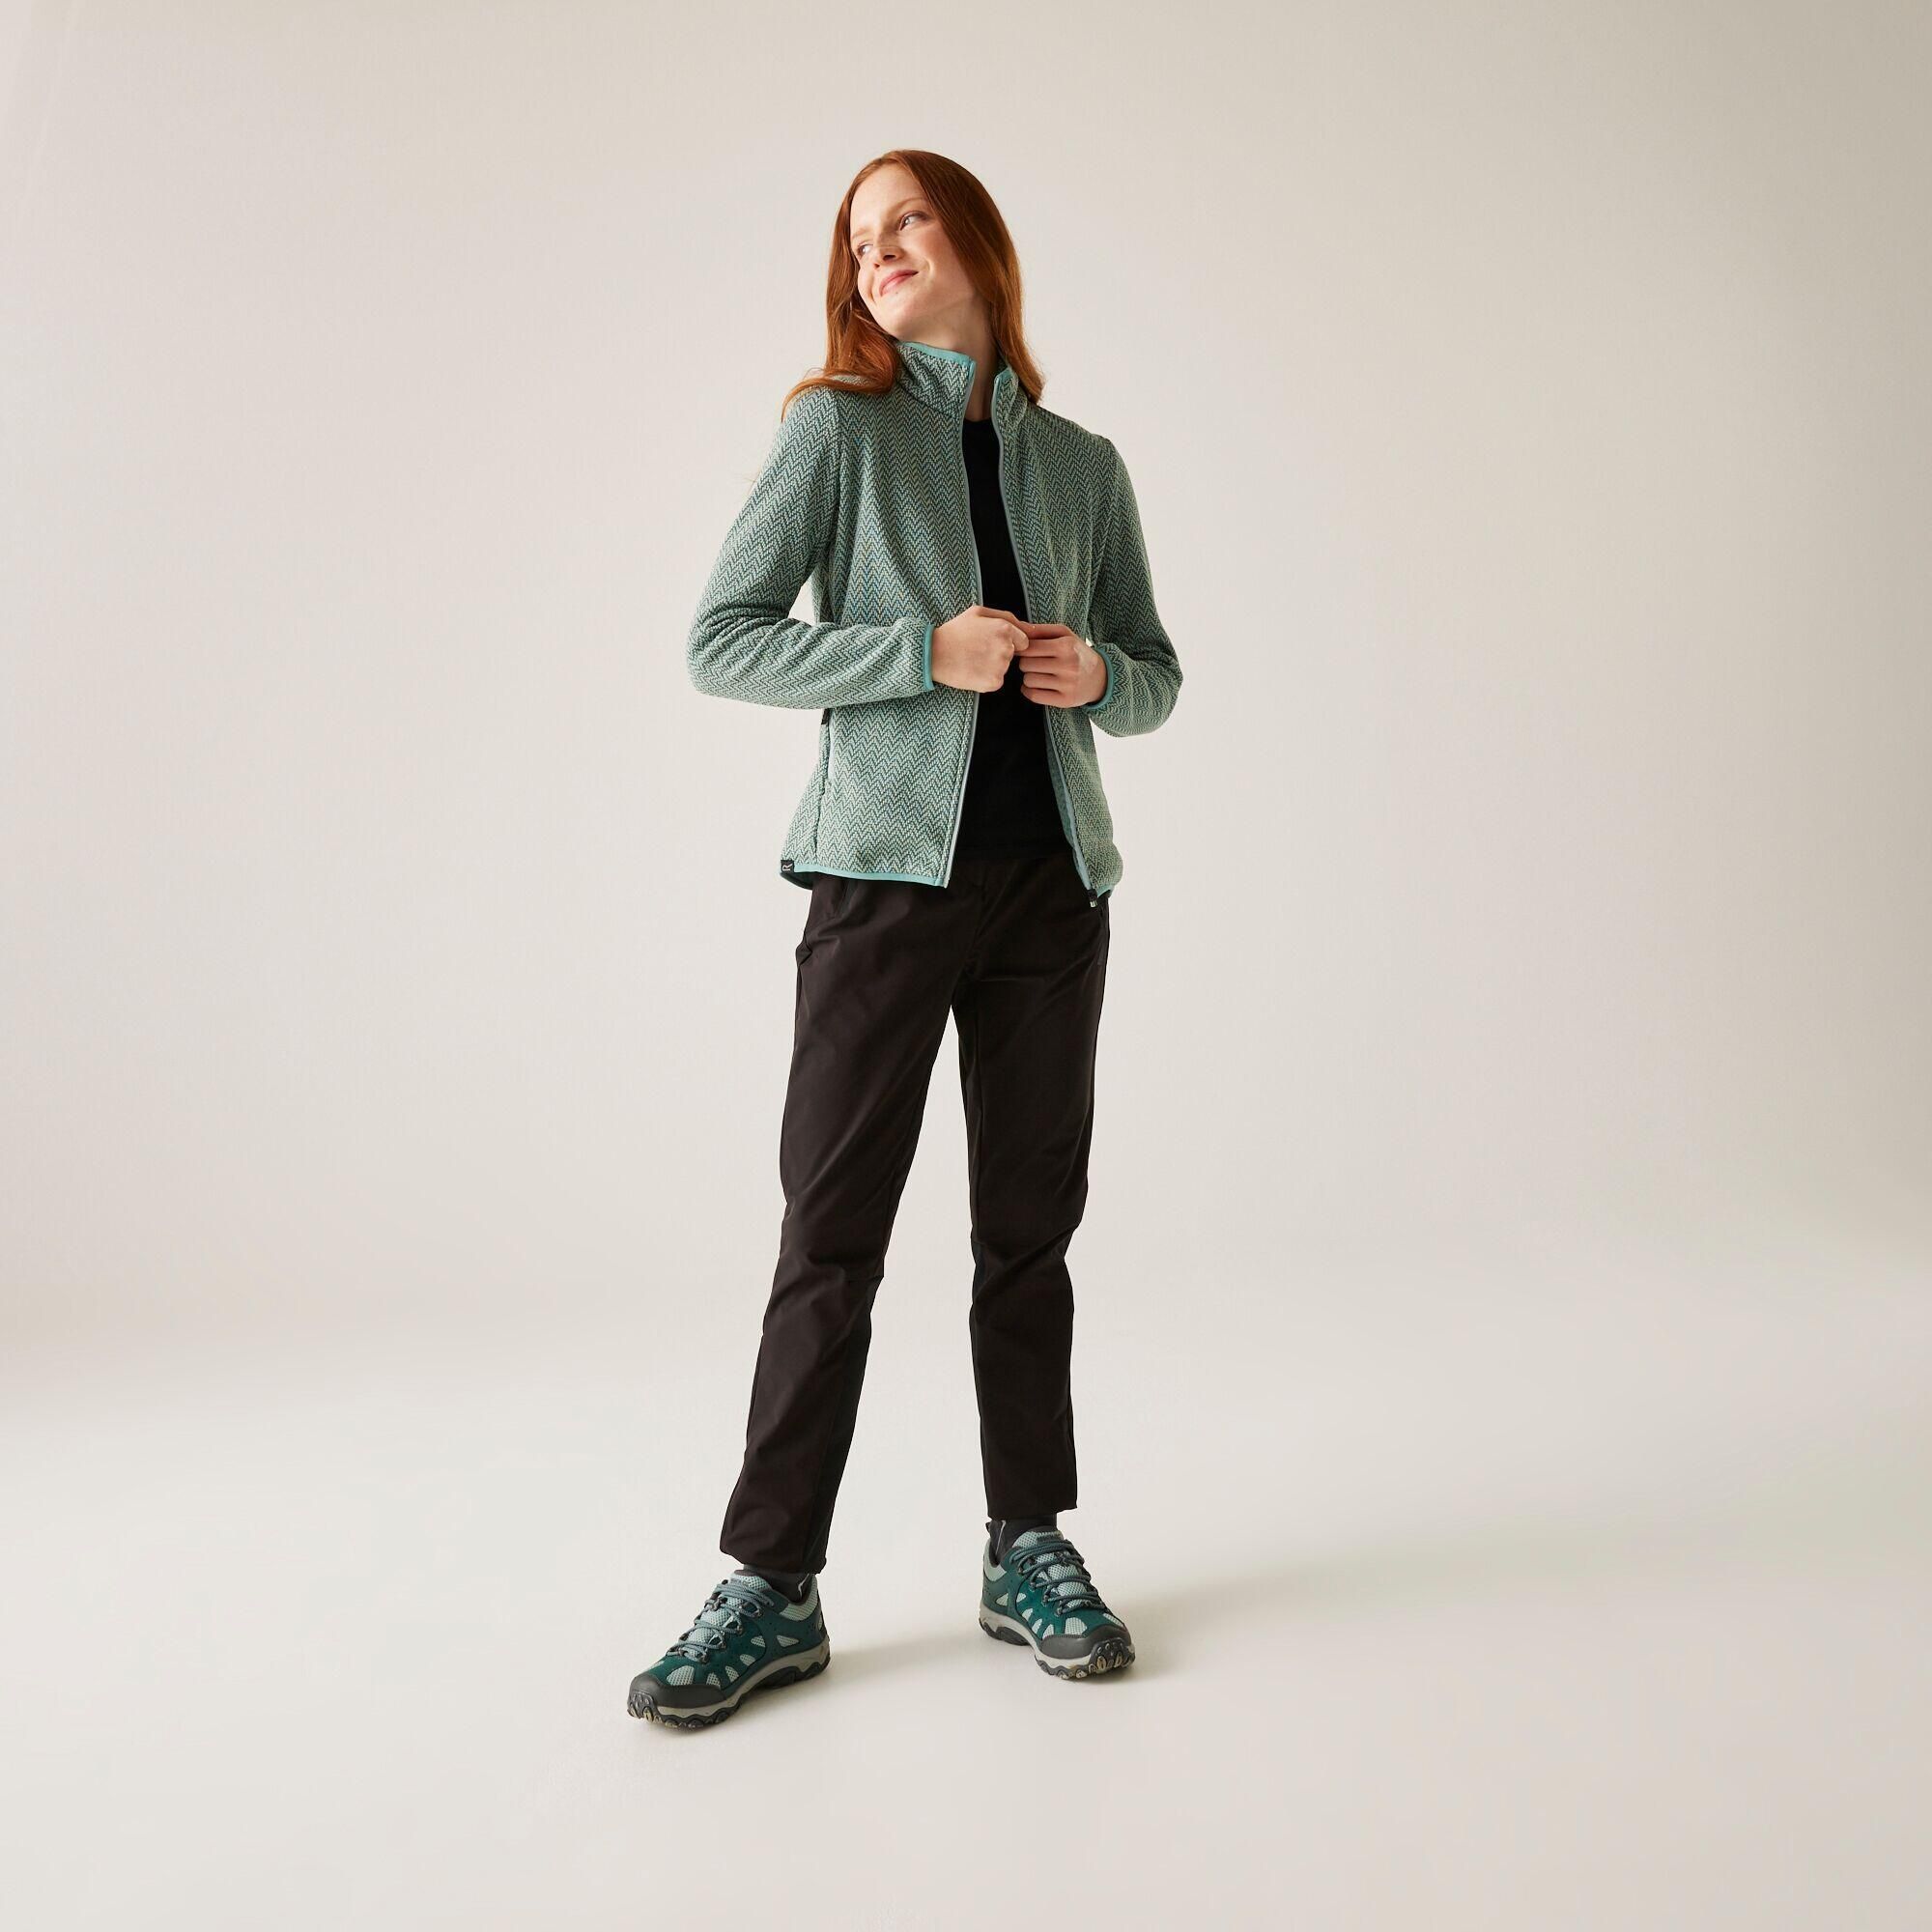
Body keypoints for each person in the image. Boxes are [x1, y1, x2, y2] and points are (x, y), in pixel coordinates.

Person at [628, 149, 1182, 1729]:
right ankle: (771, 1582)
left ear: (976, 242)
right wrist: (920, 654)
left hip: (1052, 890)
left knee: (1029, 1236)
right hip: (880, 883)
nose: (876, 251)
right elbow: (722, 641)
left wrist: (1100, 680)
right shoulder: (837, 430)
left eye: (905, 220)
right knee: (831, 1237)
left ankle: (1029, 1545)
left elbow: (1155, 673)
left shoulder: (1084, 466)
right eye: (857, 237)